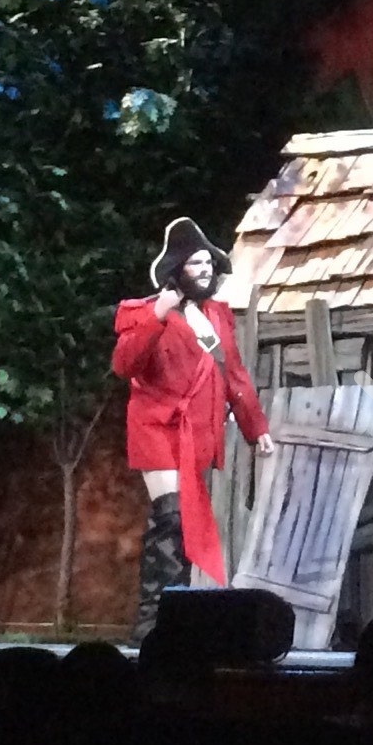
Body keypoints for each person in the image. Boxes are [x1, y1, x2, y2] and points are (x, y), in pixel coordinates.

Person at [112, 217, 274, 643]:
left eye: (208, 263)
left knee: (182, 525)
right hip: (157, 427)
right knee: (172, 516)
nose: (204, 270)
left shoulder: (217, 316)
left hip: (195, 434)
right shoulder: (142, 311)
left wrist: (255, 425)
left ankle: (173, 621)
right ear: (177, 269)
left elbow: (233, 373)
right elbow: (124, 365)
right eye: (195, 263)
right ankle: (151, 625)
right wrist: (157, 316)